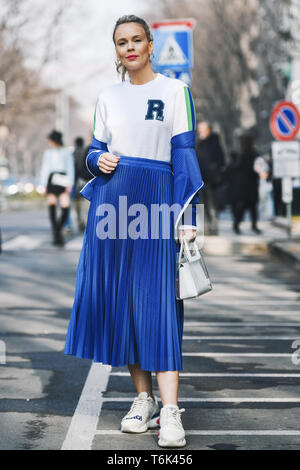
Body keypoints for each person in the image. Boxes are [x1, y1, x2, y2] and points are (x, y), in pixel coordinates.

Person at [64, 15, 204, 448]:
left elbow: (184, 157)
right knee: (125, 303)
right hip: (114, 204)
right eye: (121, 42)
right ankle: (142, 400)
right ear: (117, 50)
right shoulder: (108, 95)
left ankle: (171, 412)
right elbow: (95, 149)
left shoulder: (175, 91)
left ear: (150, 45)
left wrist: (190, 220)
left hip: (159, 204)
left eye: (136, 40)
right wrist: (96, 161)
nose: (129, 47)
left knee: (158, 304)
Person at [40, 130, 75, 246]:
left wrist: (70, 184)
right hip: (52, 179)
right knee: (52, 206)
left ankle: (58, 230)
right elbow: (45, 169)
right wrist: (43, 184)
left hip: (63, 179)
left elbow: (70, 168)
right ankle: (56, 234)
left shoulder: (66, 152)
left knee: (65, 206)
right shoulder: (48, 153)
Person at [195, 122, 225, 235]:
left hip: (212, 180)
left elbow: (221, 160)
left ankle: (214, 226)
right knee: (202, 204)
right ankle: (206, 226)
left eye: (203, 129)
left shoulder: (215, 143)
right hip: (201, 179)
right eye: (200, 130)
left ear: (209, 130)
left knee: (212, 204)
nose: (201, 132)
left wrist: (215, 169)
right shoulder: (199, 144)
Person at [234, 134, 262, 234]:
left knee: (244, 207)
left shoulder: (241, 155)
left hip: (245, 185)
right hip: (250, 185)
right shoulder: (253, 154)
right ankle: (251, 226)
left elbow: (236, 169)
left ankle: (237, 225)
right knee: (251, 207)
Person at [73, 136, 92, 232]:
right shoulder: (88, 150)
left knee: (78, 205)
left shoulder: (73, 153)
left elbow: (79, 168)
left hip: (78, 182)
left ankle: (80, 222)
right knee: (87, 205)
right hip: (88, 181)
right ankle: (87, 224)